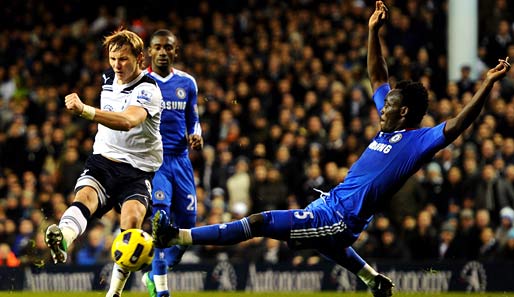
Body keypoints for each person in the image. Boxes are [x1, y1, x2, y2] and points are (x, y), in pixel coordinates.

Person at [153, 1, 512, 297]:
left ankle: (179, 235)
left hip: (339, 218)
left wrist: (488, 84)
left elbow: (457, 125)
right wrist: (373, 31)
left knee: (262, 222)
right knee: (326, 243)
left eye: (388, 105)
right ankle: (372, 278)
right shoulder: (388, 130)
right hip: (330, 206)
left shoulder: (417, 142)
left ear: (403, 112)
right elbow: (377, 75)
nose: (381, 106)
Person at [44, 28, 163, 297]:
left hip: (137, 170)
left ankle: (114, 293)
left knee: (131, 222)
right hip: (103, 161)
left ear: (139, 58)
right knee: (84, 196)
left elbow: (128, 121)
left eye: (123, 59)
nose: (117, 66)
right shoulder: (108, 77)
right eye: (112, 59)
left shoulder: (148, 90)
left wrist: (85, 110)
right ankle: (62, 239)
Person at [141, 29, 203, 297]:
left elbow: (193, 118)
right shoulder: (142, 83)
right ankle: (162, 291)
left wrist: (196, 135)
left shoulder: (188, 83)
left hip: (182, 161)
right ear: (150, 52)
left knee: (187, 228)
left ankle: (153, 275)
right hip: (156, 161)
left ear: (175, 51)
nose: (163, 52)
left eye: (168, 47)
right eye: (157, 47)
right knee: (160, 219)